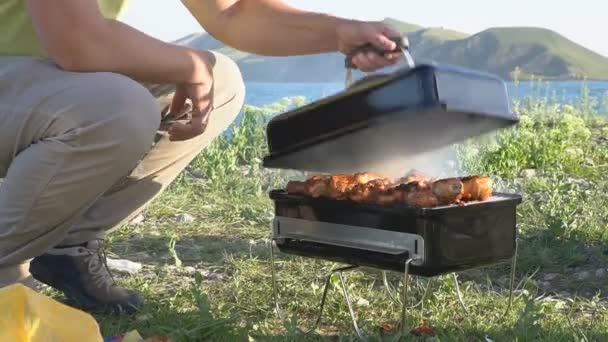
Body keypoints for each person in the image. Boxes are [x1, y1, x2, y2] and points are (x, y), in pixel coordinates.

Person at [0, 0, 403, 314]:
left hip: (38, 80)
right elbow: (77, 40)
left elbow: (233, 11)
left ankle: (64, 246)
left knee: (220, 82)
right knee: (119, 108)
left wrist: (339, 32)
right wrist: (188, 66)